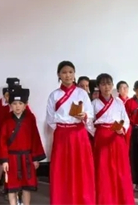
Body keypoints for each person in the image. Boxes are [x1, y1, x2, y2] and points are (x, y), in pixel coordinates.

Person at [46, 60, 95, 205]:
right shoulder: (54, 95)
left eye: (70, 72)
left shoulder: (82, 93)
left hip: (79, 134)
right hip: (62, 135)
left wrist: (84, 116)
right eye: (64, 72)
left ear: (74, 74)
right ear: (58, 75)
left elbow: (90, 114)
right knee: (61, 169)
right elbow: (50, 118)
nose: (67, 75)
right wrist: (63, 124)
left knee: (81, 168)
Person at [0, 87, 45, 205]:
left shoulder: (30, 119)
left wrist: (35, 158)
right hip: (12, 158)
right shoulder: (6, 119)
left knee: (26, 187)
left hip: (27, 157)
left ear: (25, 105)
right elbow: (2, 141)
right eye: (14, 103)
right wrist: (4, 160)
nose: (17, 106)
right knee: (12, 187)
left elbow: (35, 138)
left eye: (20, 103)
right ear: (10, 105)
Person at [89, 74, 134, 205]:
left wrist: (122, 129)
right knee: (103, 169)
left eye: (109, 84)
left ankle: (122, 200)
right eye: (103, 84)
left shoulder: (119, 102)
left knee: (120, 169)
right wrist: (97, 132)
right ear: (98, 86)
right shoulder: (94, 103)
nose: (106, 87)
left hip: (117, 137)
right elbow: (89, 122)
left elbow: (126, 120)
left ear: (112, 85)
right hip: (102, 137)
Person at [126, 80, 138, 191]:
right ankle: (136, 181)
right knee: (136, 155)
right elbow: (126, 118)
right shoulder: (129, 103)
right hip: (135, 130)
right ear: (134, 90)